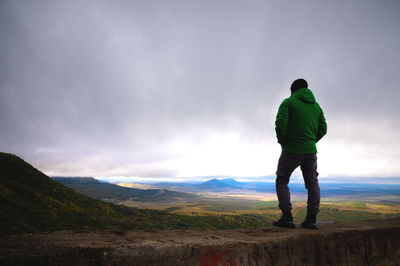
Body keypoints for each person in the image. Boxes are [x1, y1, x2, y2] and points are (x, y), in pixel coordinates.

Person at [273, 79, 327, 229]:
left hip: (292, 149)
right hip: (310, 151)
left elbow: (280, 123)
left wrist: (284, 141)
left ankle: (287, 217)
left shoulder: (288, 103)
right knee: (312, 183)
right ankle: (311, 219)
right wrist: (311, 141)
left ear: (292, 90)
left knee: (282, 180)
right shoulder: (316, 107)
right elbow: (323, 128)